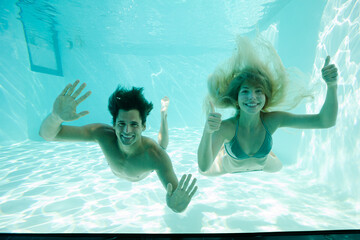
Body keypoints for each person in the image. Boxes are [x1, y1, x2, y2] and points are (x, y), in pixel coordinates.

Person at [39, 80, 198, 213]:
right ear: (113, 125)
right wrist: (55, 117)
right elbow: (48, 135)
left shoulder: (157, 158)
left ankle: (164, 115)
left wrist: (175, 206)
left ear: (143, 126)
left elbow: (175, 198)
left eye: (134, 124)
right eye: (121, 123)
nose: (127, 131)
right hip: (123, 169)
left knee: (162, 146)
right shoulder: (102, 134)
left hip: (145, 167)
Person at [197, 36, 338, 176]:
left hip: (266, 165)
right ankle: (225, 149)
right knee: (203, 172)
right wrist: (207, 131)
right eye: (245, 91)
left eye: (259, 91)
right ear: (236, 98)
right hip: (228, 167)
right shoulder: (226, 128)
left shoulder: (273, 121)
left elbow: (325, 121)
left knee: (279, 166)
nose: (252, 97)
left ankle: (259, 149)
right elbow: (204, 166)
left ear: (266, 97)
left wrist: (332, 86)